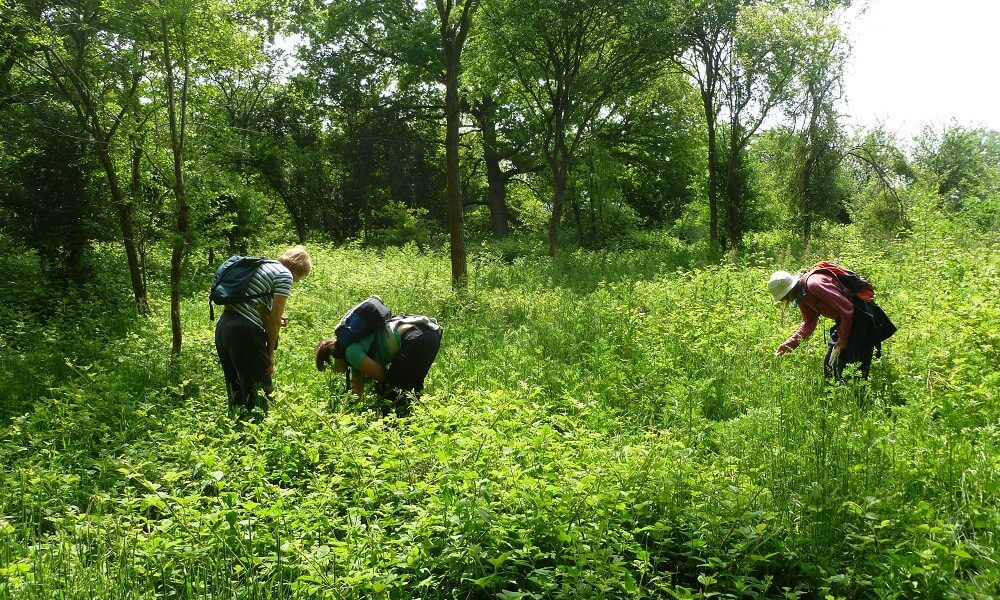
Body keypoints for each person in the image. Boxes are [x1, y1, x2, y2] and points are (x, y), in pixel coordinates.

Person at [214, 245, 311, 415]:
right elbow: (274, 322)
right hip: (244, 332)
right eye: (300, 277)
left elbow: (252, 301)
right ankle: (261, 435)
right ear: (297, 269)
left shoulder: (264, 265)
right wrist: (270, 354)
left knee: (235, 388)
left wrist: (272, 315)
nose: (297, 281)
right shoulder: (285, 275)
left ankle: (235, 429)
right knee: (261, 393)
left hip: (224, 327)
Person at [315, 313, 442, 417]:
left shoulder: (351, 353)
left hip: (416, 338)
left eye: (329, 367)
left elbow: (383, 376)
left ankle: (397, 427)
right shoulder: (353, 351)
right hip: (430, 333)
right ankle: (424, 419)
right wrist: (347, 413)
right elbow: (357, 387)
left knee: (389, 388)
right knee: (415, 387)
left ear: (333, 358)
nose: (333, 371)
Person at [769, 266, 879, 379]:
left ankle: (858, 395)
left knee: (854, 370)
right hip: (845, 321)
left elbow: (847, 309)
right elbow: (809, 324)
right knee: (830, 367)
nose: (783, 301)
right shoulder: (801, 296)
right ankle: (835, 395)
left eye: (783, 297)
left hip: (862, 318)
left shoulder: (814, 285)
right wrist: (788, 345)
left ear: (789, 290)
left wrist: (843, 339)